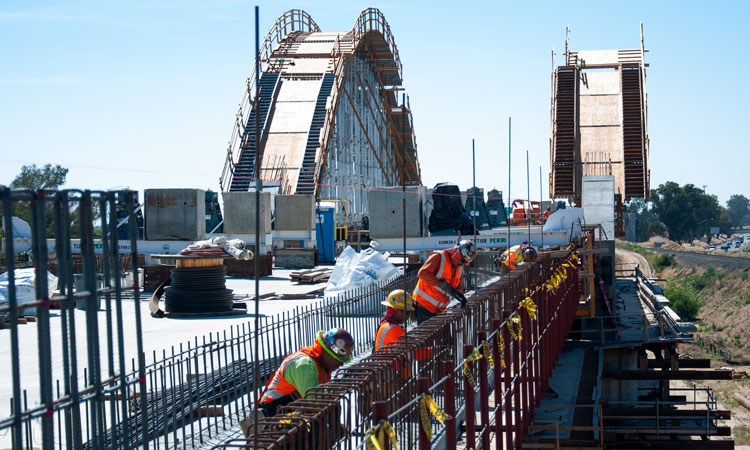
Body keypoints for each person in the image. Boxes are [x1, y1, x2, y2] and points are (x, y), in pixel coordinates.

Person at [241, 328, 354, 436]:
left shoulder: (321, 366)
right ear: (327, 352)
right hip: (271, 421)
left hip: (289, 415)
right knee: (316, 428)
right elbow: (317, 403)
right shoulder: (305, 365)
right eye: (338, 360)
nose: (341, 364)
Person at [412, 240, 475, 324]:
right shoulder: (439, 256)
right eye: (462, 260)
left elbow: (458, 286)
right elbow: (422, 273)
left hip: (440, 310)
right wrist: (441, 284)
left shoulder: (460, 267)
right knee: (428, 336)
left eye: (465, 262)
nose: (462, 263)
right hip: (424, 306)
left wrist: (459, 295)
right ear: (457, 253)